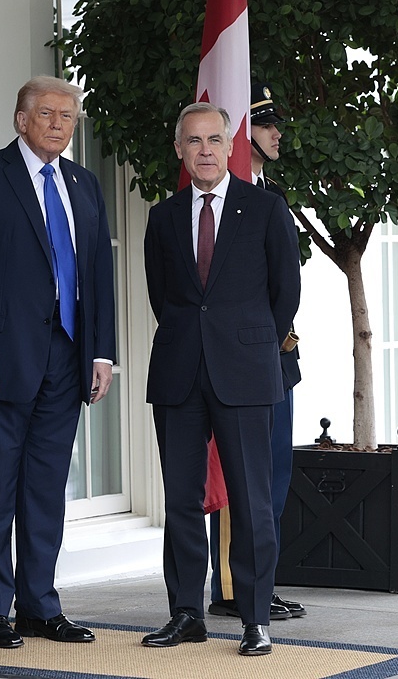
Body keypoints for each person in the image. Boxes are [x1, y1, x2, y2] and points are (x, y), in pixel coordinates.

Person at [0, 76, 116, 649]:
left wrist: (102, 352)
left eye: (68, 116)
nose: (58, 124)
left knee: (44, 491)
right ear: (21, 120)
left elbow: (98, 274)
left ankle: (40, 606)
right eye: (46, 114)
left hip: (67, 360)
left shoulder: (84, 184)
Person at [141, 102, 300, 656]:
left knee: (252, 501)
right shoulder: (162, 217)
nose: (205, 150)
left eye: (214, 140)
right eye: (194, 141)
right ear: (180, 150)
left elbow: (286, 293)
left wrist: (247, 344)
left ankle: (255, 619)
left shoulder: (266, 208)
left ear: (230, 146)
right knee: (181, 501)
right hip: (179, 374)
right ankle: (186, 613)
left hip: (246, 373)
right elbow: (163, 296)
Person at [208, 82, 306, 622]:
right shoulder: (229, 199)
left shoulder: (270, 194)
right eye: (265, 125)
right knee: (241, 478)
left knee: (272, 477)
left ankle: (260, 582)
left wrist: (273, 337)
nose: (276, 133)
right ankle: (234, 587)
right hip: (242, 357)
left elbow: (285, 284)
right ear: (242, 134)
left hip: (274, 354)